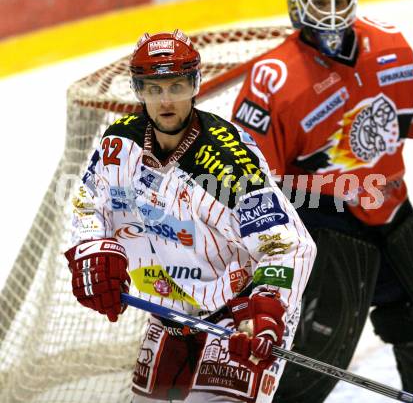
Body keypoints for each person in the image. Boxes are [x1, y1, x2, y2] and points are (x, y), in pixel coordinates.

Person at [64, 29, 316, 403]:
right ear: (138, 90)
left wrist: (267, 305)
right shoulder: (119, 145)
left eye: (177, 86)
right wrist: (91, 249)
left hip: (239, 314)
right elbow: (88, 204)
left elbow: (289, 245)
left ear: (195, 85)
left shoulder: (227, 164)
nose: (166, 101)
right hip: (167, 314)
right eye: (154, 88)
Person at [231, 0, 413, 401]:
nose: (329, 12)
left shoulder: (389, 45)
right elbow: (249, 177)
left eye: (337, 1)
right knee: (317, 347)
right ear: (296, 7)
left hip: (391, 207)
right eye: (318, 1)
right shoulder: (273, 79)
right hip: (323, 220)